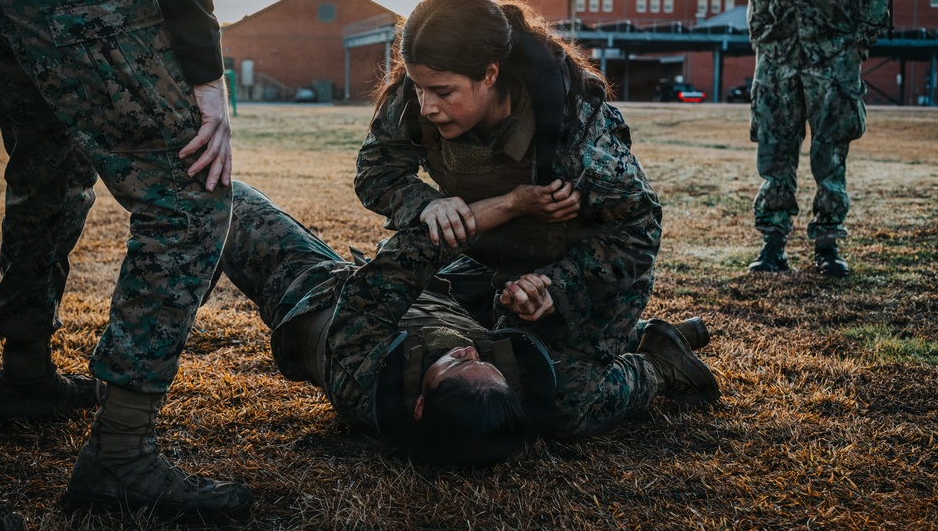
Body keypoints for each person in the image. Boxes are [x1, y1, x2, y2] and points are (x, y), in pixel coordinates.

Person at [0, 0, 250, 520]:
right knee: (189, 187)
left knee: (49, 161)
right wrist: (207, 81)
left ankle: (25, 372)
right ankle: (121, 454)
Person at [192, 182, 718, 468]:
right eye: (488, 367)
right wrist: (527, 299)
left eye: (461, 363)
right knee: (573, 403)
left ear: (420, 404)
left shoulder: (361, 365)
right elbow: (516, 346)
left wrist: (509, 203)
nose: (477, 356)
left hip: (321, 293)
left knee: (221, 194)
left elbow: (403, 260)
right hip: (449, 296)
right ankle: (653, 353)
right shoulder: (486, 387)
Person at [355, 0, 663, 368]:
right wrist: (427, 204)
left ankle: (660, 362)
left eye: (443, 92)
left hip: (581, 271)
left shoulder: (571, 122)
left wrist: (560, 288)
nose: (427, 106)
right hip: (488, 263)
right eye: (418, 88)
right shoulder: (414, 97)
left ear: (489, 74)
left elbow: (639, 228)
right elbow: (374, 170)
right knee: (395, 328)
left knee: (550, 393)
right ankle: (621, 337)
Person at [746, 0, 893, 276]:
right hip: (778, 52)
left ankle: (828, 244)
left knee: (830, 157)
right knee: (773, 150)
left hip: (833, 51)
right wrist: (760, 33)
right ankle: (773, 244)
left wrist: (858, 42)